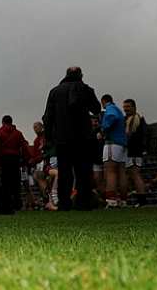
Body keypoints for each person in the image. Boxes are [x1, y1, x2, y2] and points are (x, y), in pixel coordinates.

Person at [43, 67, 101, 211]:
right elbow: (96, 109)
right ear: (81, 75)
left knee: (64, 171)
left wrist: (49, 137)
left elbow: (48, 117)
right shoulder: (86, 89)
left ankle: (64, 203)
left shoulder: (55, 91)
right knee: (83, 171)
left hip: (63, 138)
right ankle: (83, 202)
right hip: (83, 137)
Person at [0, 115, 30, 214]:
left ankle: (6, 203)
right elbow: (24, 147)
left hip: (4, 160)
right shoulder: (18, 133)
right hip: (15, 159)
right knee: (16, 182)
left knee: (5, 183)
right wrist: (25, 160)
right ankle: (17, 203)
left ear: (3, 122)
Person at [99, 94, 127, 208]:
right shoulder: (118, 110)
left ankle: (111, 201)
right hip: (121, 143)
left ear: (103, 101)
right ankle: (123, 200)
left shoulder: (110, 109)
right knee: (121, 171)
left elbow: (111, 117)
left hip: (112, 142)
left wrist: (103, 129)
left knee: (110, 171)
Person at [123, 99, 148, 207]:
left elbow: (142, 136)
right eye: (124, 107)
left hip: (133, 151)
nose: (125, 109)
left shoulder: (138, 120)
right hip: (132, 151)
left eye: (128, 106)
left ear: (134, 107)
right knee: (129, 175)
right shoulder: (126, 119)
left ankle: (141, 200)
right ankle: (127, 198)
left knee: (135, 174)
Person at [30, 122, 48, 209]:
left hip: (44, 161)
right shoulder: (36, 140)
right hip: (39, 163)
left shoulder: (45, 138)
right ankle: (45, 198)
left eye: (36, 127)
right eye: (34, 127)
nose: (35, 129)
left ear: (42, 127)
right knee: (39, 179)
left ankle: (47, 197)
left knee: (39, 178)